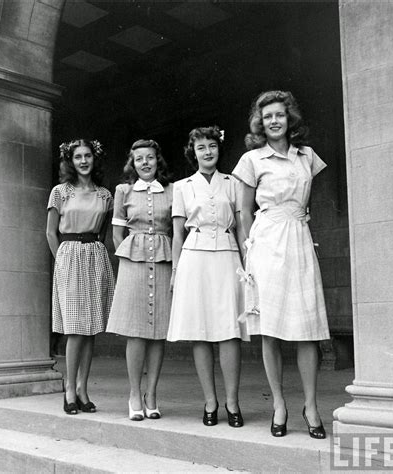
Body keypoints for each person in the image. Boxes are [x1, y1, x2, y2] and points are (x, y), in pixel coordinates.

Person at [232, 90, 330, 439]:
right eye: (268, 116)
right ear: (260, 123)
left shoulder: (307, 157)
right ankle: (279, 404)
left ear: (290, 119)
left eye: (280, 114)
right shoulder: (252, 160)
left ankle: (311, 405)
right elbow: (244, 212)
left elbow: (308, 203)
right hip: (266, 243)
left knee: (308, 329)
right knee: (270, 329)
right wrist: (248, 254)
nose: (274, 121)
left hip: (299, 239)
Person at [167, 126, 248, 428]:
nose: (207, 152)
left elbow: (241, 228)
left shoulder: (233, 183)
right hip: (194, 258)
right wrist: (175, 271)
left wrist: (248, 265)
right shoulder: (182, 187)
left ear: (219, 148)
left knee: (230, 330)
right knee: (200, 330)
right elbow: (177, 235)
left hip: (227, 257)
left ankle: (232, 401)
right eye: (201, 147)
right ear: (193, 152)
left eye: (212, 146)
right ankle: (210, 401)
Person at [46, 138, 114, 415]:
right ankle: (69, 390)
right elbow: (50, 232)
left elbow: (104, 233)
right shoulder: (60, 192)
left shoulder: (105, 195)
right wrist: (61, 260)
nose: (83, 161)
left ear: (94, 159)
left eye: (88, 156)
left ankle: (83, 389)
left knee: (91, 328)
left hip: (95, 256)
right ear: (70, 161)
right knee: (75, 328)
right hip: (69, 256)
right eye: (78, 157)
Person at [106, 139, 173, 421]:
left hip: (163, 260)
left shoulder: (172, 190)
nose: (145, 163)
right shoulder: (123, 191)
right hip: (133, 262)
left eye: (150, 157)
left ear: (158, 160)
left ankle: (151, 393)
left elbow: (176, 229)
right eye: (139, 159)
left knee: (158, 330)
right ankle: (134, 393)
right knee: (135, 331)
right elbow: (117, 233)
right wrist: (128, 257)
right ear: (132, 164)